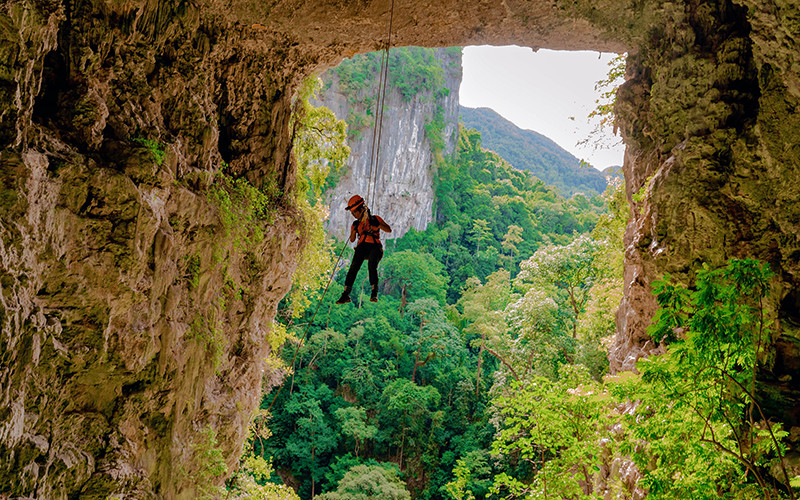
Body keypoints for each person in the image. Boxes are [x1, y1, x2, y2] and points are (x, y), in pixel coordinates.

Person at [336, 195, 392, 304]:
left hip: (375, 247)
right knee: (353, 268)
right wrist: (354, 229)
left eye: (355, 212)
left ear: (361, 210)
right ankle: (345, 294)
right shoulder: (356, 224)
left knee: (372, 265)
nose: (353, 215)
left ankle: (374, 293)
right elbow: (352, 240)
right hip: (362, 247)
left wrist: (378, 224)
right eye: (352, 213)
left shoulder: (375, 219)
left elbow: (388, 230)